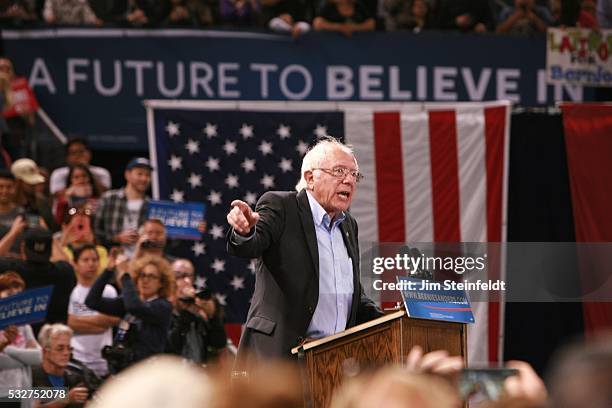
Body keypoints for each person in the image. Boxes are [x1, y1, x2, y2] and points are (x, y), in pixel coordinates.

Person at [226, 137, 383, 361]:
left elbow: (350, 295)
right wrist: (244, 231)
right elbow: (251, 245)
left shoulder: (349, 225)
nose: (349, 180)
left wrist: (397, 319)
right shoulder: (281, 206)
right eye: (339, 171)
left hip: (332, 361)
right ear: (310, 178)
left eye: (354, 174)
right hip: (279, 357)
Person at [85, 255, 174, 372]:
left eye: (151, 276)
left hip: (146, 372)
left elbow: (135, 307)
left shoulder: (163, 306)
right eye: (142, 275)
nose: (145, 280)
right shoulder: (127, 303)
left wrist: (125, 276)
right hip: (121, 370)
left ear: (161, 283)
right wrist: (108, 271)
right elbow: (92, 301)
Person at [0, 225, 76, 336]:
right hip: (54, 341)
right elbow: (65, 261)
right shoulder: (64, 272)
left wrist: (13, 232)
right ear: (50, 250)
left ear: (23, 248)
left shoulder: (12, 269)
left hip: (18, 343)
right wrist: (49, 236)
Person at [67, 245, 120, 378]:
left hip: (104, 360)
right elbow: (68, 322)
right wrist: (99, 322)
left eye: (95, 260)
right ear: (75, 264)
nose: (91, 264)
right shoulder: (70, 291)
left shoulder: (109, 290)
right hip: (77, 359)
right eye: (86, 260)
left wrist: (78, 322)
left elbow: (113, 320)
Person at [167, 258, 227, 364]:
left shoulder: (199, 310)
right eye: (178, 275)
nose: (184, 280)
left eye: (187, 275)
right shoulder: (162, 308)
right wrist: (187, 313)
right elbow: (172, 346)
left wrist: (212, 317)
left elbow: (218, 344)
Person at [0, 271, 43, 408]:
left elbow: (38, 357)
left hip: (22, 390)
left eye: (18, 297)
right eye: (9, 295)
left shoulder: (25, 326)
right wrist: (24, 359)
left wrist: (6, 348)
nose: (15, 301)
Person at [93, 157, 151, 249]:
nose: (144, 178)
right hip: (113, 256)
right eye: (140, 174)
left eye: (148, 175)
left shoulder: (151, 205)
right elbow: (95, 230)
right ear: (127, 175)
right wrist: (116, 238)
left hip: (141, 258)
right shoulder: (109, 198)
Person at [31, 324, 90, 408]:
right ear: (45, 351)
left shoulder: (76, 379)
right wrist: (66, 400)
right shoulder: (29, 377)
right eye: (60, 349)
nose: (66, 353)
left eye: (69, 348)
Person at [11, 158, 58, 233]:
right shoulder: (7, 204)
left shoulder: (41, 202)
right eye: (29, 182)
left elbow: (53, 228)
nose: (34, 185)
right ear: (18, 182)